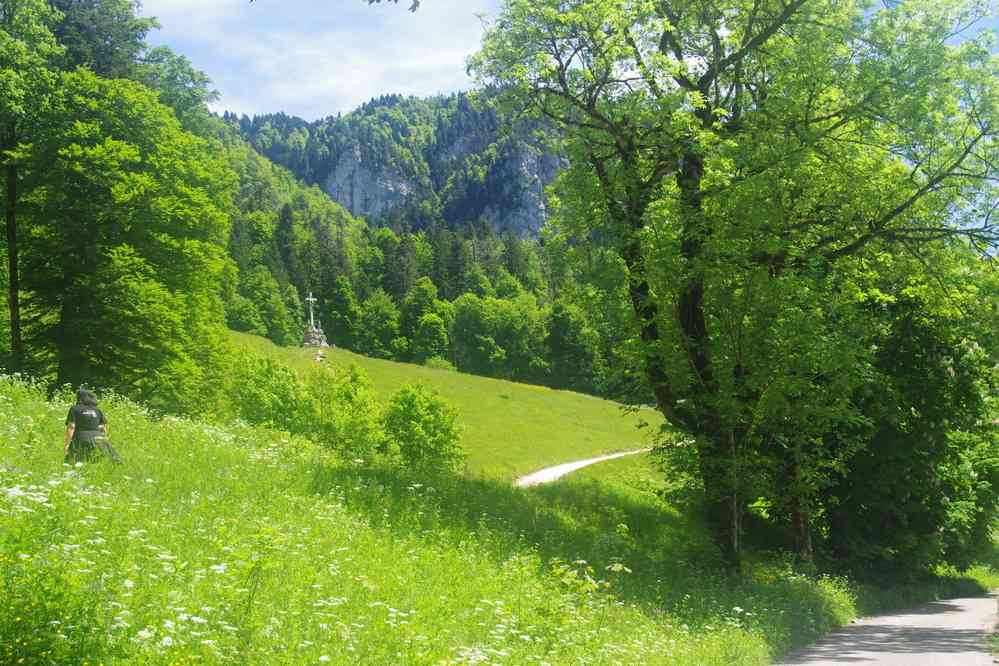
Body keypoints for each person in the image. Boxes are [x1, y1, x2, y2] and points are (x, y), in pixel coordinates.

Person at [63, 389, 121, 463]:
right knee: (101, 462)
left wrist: (67, 444)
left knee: (75, 463)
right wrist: (104, 440)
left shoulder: (75, 409)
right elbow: (103, 428)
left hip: (81, 438)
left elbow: (71, 427)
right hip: (99, 439)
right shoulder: (97, 410)